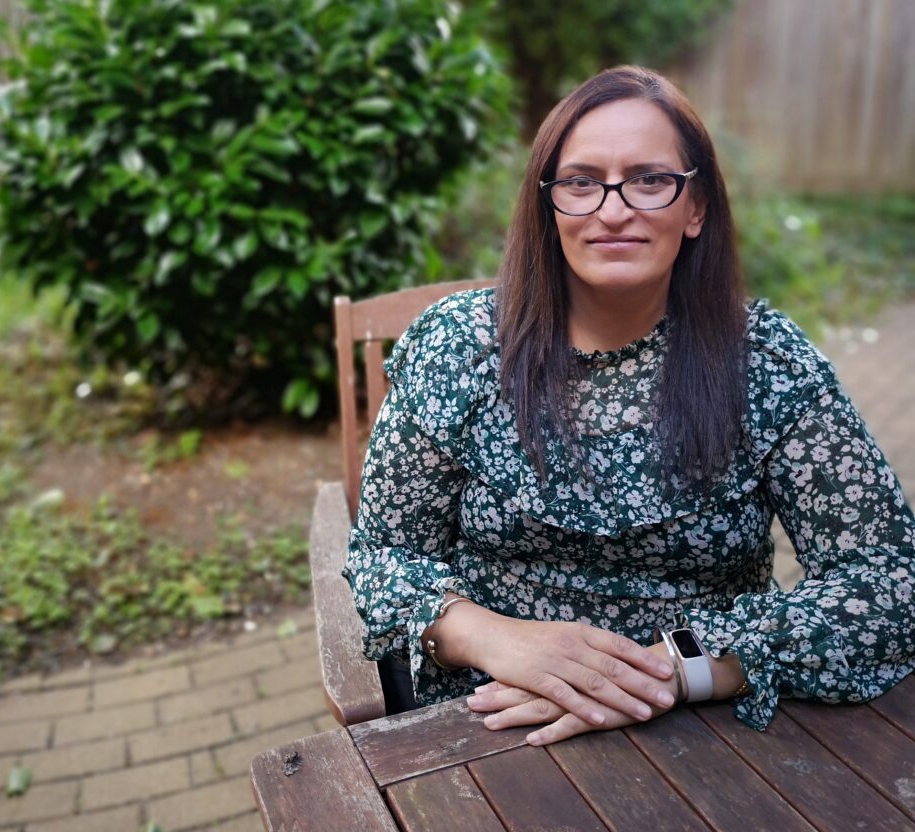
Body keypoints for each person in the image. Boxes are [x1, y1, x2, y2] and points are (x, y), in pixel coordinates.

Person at [342, 65, 914, 745]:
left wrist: (676, 670)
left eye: (649, 179)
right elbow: (382, 555)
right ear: (548, 205)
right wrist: (493, 638)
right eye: (582, 182)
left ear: (695, 206)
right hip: (488, 717)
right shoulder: (456, 350)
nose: (614, 210)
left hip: (707, 726)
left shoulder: (764, 363)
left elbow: (888, 581)